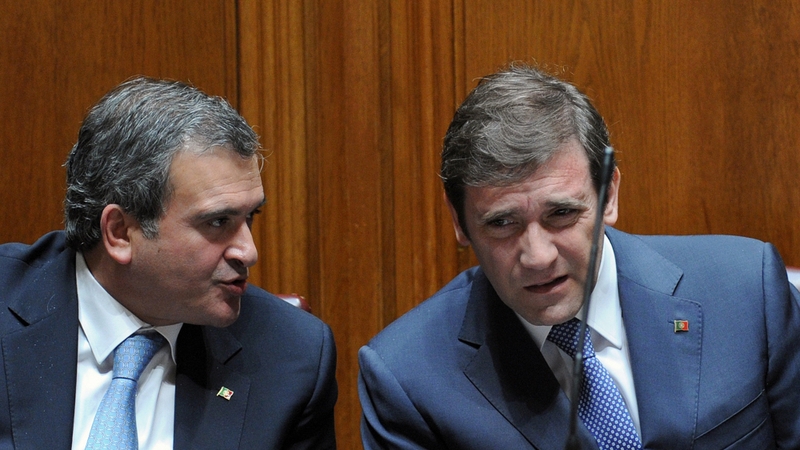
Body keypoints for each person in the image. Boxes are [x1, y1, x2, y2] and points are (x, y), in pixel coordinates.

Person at [358, 64, 800, 449]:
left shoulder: (746, 291)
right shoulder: (409, 377)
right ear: (459, 222)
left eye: (561, 214)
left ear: (608, 196)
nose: (537, 256)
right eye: (502, 223)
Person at [0, 77, 337, 449]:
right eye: (218, 222)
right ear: (121, 232)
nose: (249, 252)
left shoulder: (290, 359)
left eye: (250, 218)